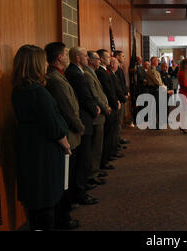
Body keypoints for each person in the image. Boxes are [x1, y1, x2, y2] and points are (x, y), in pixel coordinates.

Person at [12, 45, 72, 231]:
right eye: (43, 60)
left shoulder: (18, 90)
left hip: (28, 146)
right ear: (36, 65)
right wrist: (66, 144)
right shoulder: (38, 92)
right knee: (46, 196)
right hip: (44, 149)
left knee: (35, 197)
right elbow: (53, 125)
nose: (47, 63)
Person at [44, 42, 84, 230]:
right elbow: (68, 108)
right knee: (65, 178)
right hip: (69, 132)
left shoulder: (59, 76)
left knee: (72, 172)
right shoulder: (55, 79)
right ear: (59, 57)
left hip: (72, 132)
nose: (67, 56)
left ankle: (66, 210)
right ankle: (63, 218)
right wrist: (79, 125)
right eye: (65, 53)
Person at [65, 47, 99, 205]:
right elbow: (85, 96)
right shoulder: (75, 73)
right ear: (78, 58)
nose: (88, 59)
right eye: (85, 56)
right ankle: (80, 192)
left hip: (86, 117)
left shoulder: (77, 71)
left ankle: (81, 189)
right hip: (84, 119)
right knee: (82, 159)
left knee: (84, 158)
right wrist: (95, 109)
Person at [84, 51, 112, 184]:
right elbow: (95, 95)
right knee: (95, 146)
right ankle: (92, 174)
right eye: (97, 59)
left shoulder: (92, 72)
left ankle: (95, 170)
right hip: (97, 115)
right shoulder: (88, 74)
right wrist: (105, 106)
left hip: (101, 112)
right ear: (90, 60)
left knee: (98, 145)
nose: (99, 61)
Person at [96, 49, 121, 168]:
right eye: (107, 57)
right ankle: (104, 160)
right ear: (101, 59)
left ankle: (109, 154)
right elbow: (107, 90)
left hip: (113, 103)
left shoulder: (106, 71)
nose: (109, 58)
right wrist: (114, 103)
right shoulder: (101, 72)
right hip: (109, 105)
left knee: (111, 133)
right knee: (107, 135)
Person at [113, 51, 130, 145]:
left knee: (120, 120)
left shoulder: (119, 68)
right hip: (119, 97)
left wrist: (126, 92)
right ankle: (116, 141)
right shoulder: (115, 70)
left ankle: (118, 139)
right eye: (122, 56)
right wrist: (123, 94)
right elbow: (117, 85)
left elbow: (123, 83)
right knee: (117, 121)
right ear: (117, 56)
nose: (124, 58)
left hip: (122, 96)